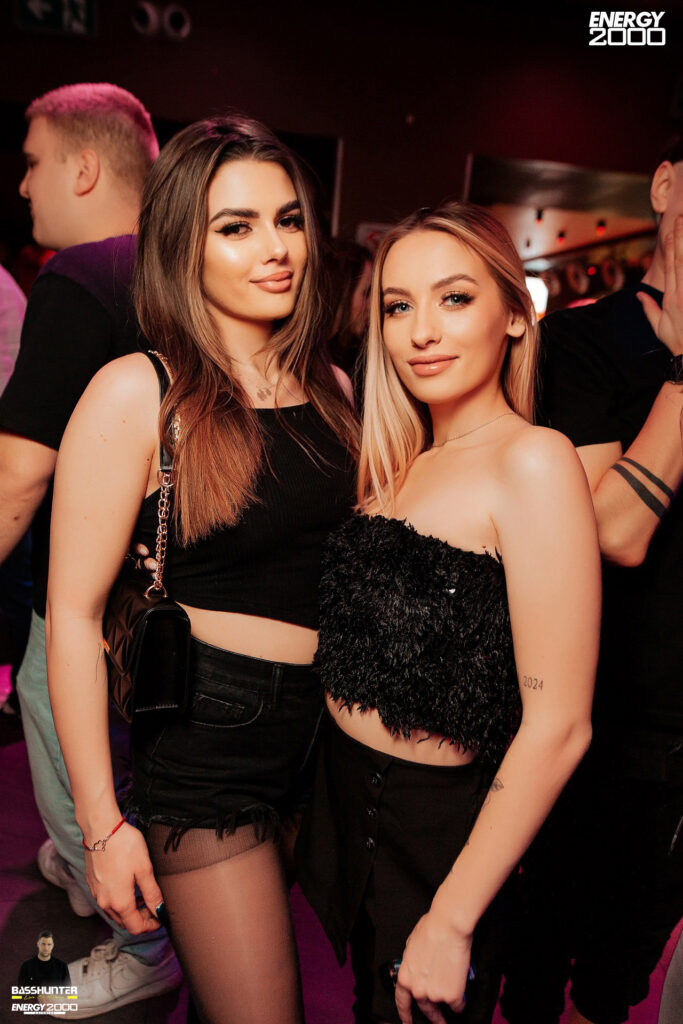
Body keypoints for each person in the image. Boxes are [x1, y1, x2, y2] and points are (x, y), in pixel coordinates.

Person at [46, 114, 358, 1024]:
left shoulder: (332, 389)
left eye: (288, 220)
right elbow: (72, 618)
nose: (277, 248)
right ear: (184, 245)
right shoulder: (137, 391)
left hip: (321, 741)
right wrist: (102, 827)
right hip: (207, 742)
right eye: (237, 226)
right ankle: (37, 988)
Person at [296, 202, 601, 1024]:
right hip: (347, 811)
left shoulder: (533, 461)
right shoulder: (398, 461)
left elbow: (560, 724)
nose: (421, 331)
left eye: (455, 299)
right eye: (398, 306)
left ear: (514, 316)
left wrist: (453, 916)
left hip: (442, 841)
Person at [0, 83, 183, 1017]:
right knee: (122, 765)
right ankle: (92, 868)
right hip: (174, 593)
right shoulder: (183, 267)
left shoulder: (81, 274)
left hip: (85, 588)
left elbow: (20, 476)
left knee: (65, 744)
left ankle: (142, 942)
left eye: (33, 162)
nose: (23, 185)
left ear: (82, 167)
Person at [500, 138, 683, 1024]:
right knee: (533, 967)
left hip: (677, 745)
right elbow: (612, 531)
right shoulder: (579, 343)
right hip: (588, 726)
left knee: (619, 985)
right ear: (664, 185)